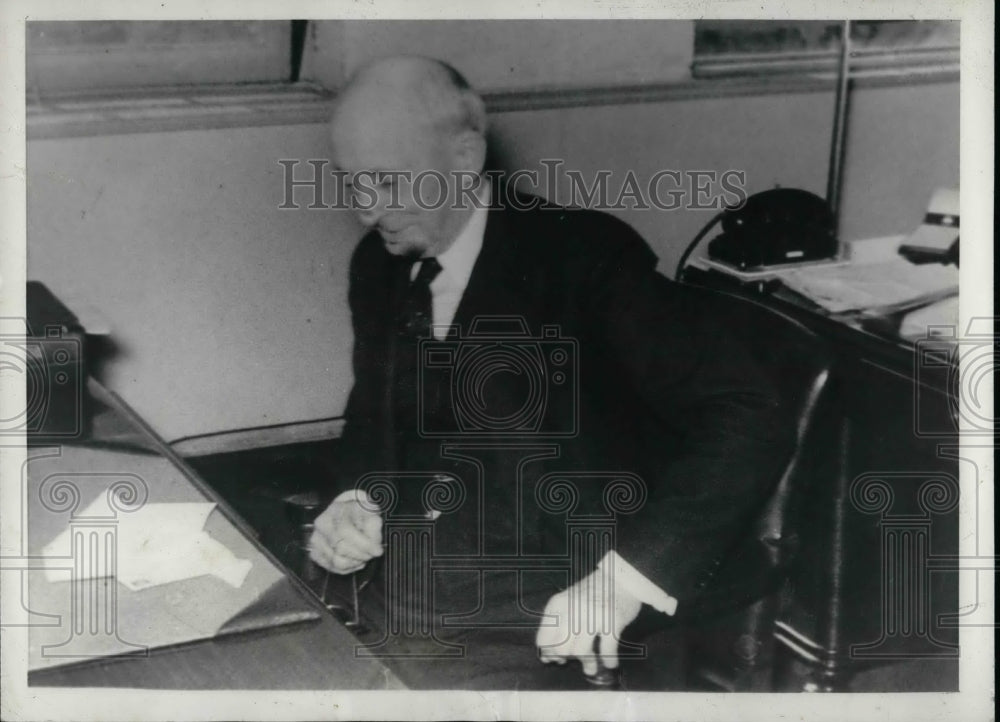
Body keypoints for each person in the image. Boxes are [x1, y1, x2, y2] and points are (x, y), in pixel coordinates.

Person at [308, 55, 791, 689]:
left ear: (464, 157)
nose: (368, 211)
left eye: (388, 182)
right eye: (351, 184)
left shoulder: (585, 259)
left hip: (564, 577)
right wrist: (353, 500)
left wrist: (622, 582)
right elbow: (372, 415)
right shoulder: (379, 264)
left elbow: (746, 411)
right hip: (422, 569)